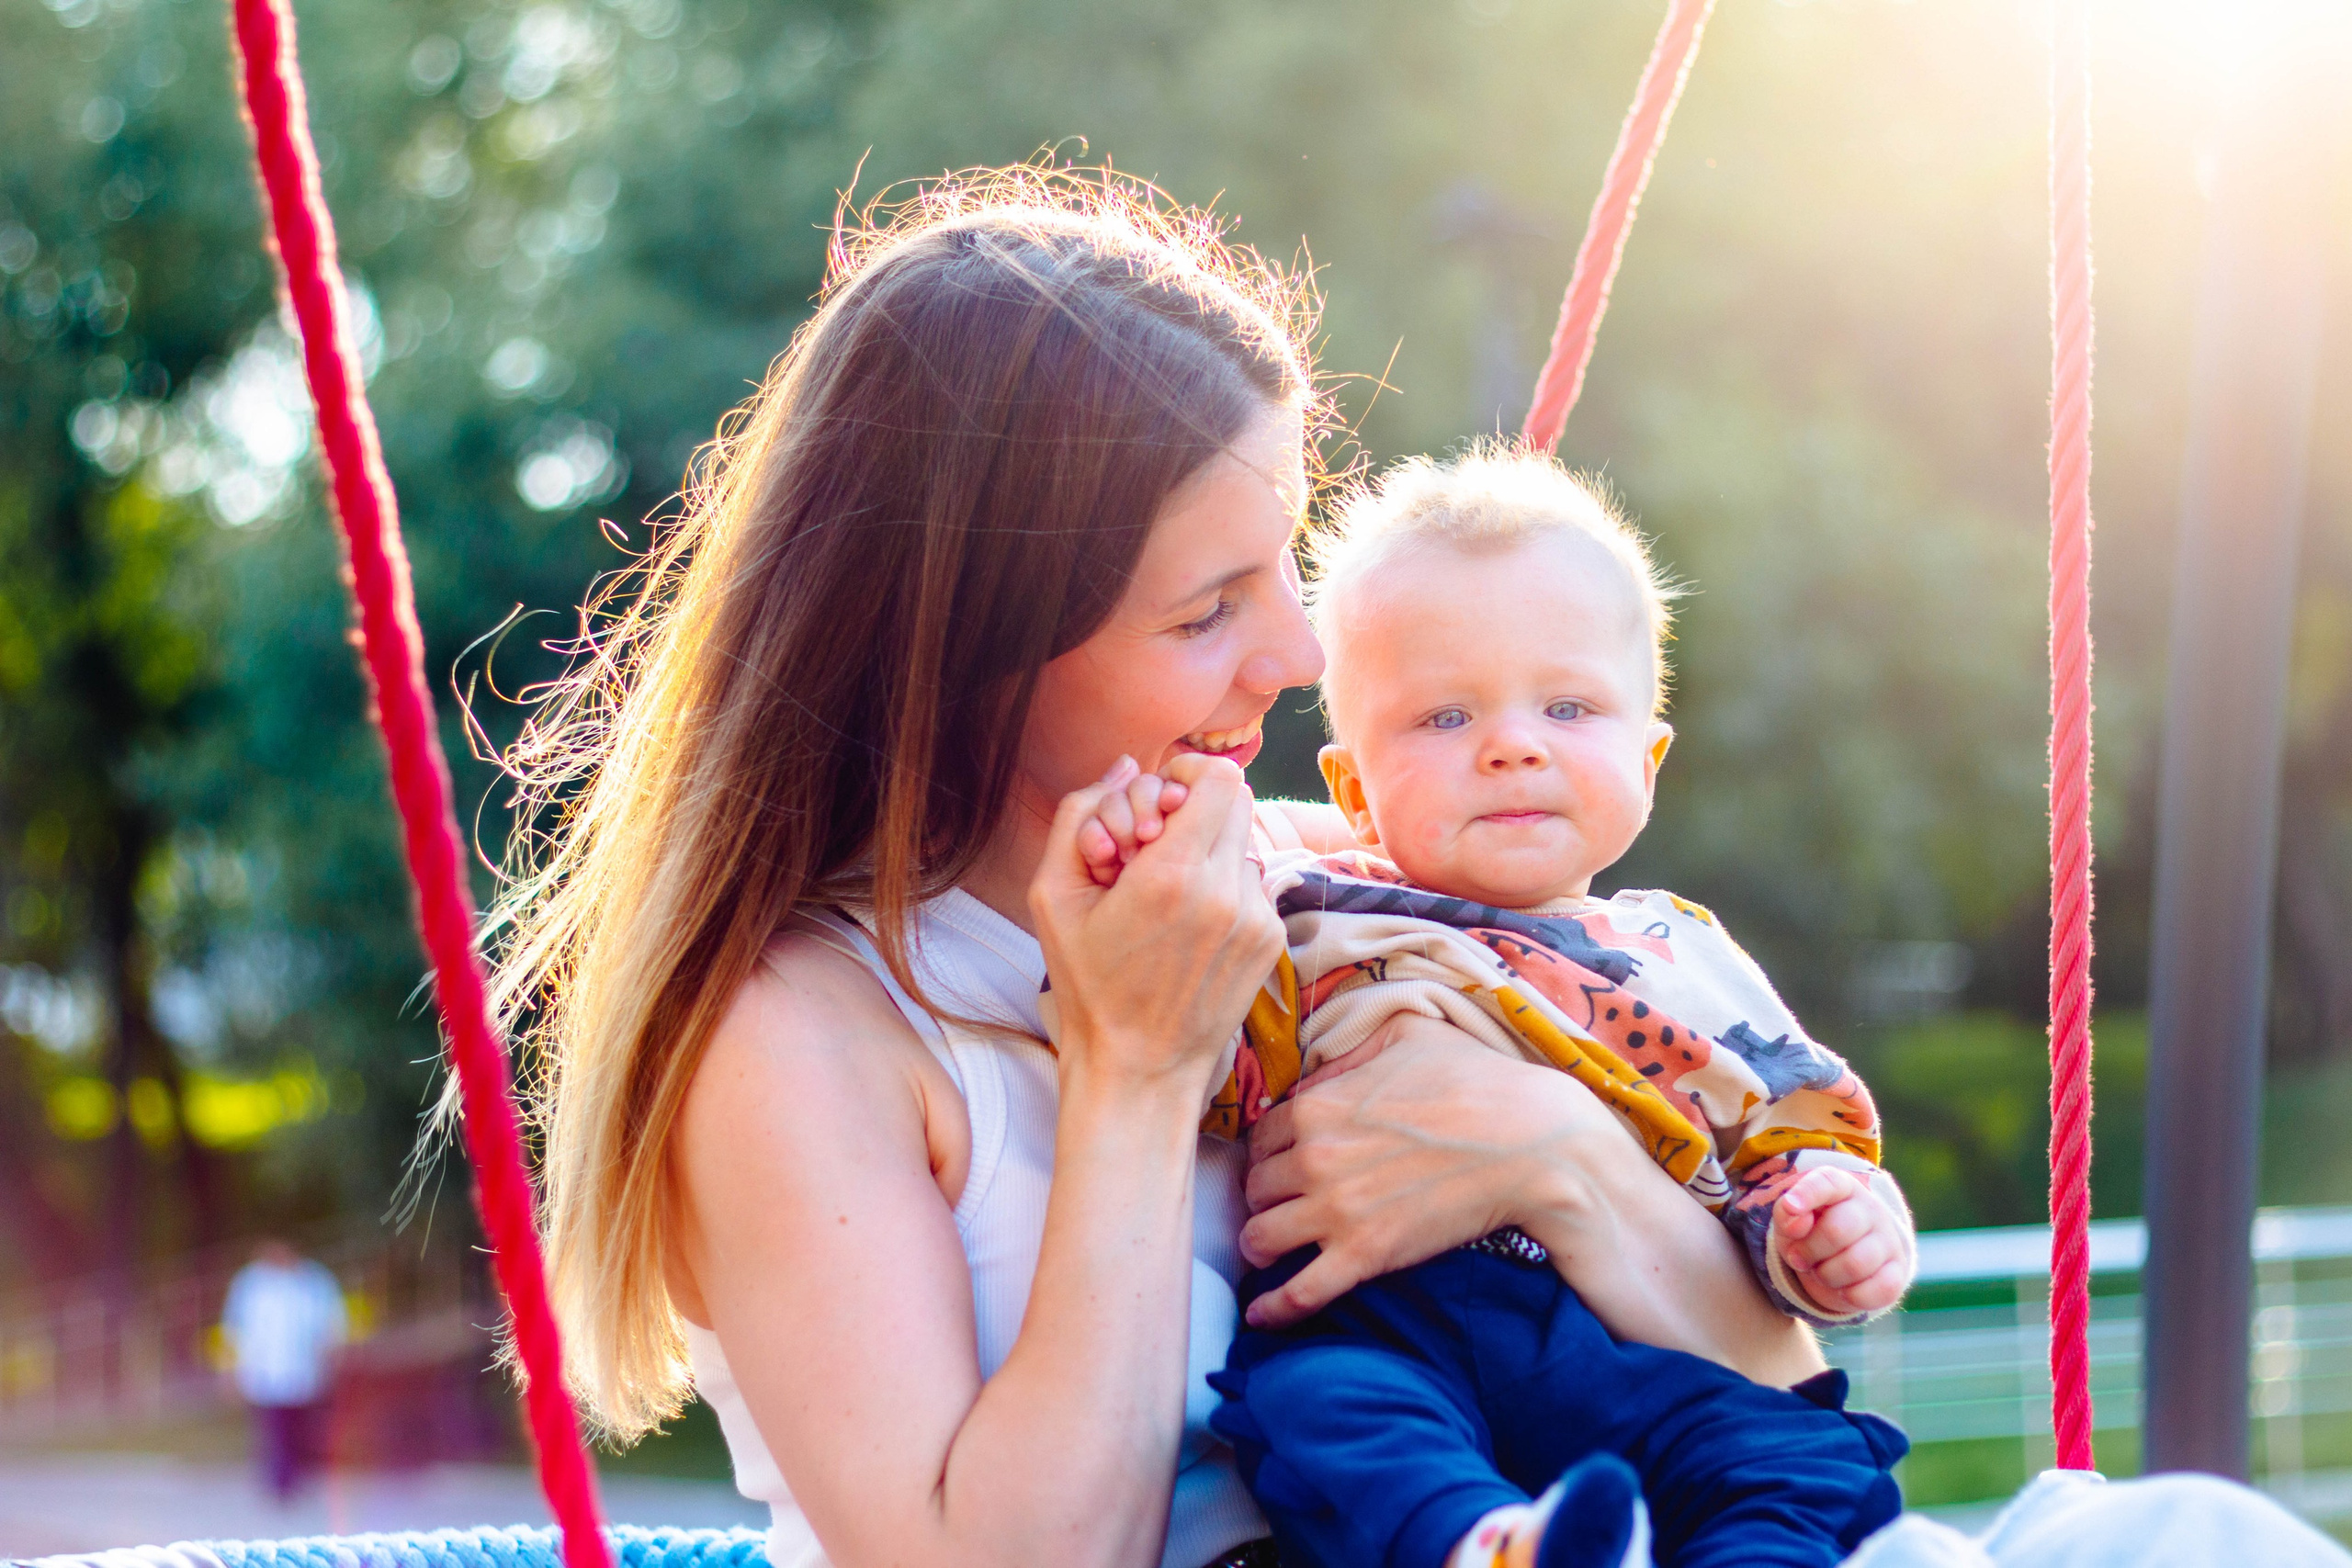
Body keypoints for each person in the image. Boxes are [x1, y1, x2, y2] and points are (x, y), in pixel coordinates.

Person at [494, 164, 2352, 1568]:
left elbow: (1762, 1371)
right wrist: (1137, 1067)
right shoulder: (804, 1033)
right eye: (1211, 606)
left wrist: (1554, 1156)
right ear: (981, 636)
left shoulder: (1338, 882)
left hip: (1653, 1510)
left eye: (1283, 572)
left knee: (2197, 1537)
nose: (1300, 659)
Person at [1067, 447, 1915, 1568]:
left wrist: (1842, 1215)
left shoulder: (1681, 950)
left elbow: (1789, 1135)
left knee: (1800, 1457)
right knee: (1317, 1406)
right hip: (1397, 1323)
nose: (1513, 745)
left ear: (1647, 760)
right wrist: (1139, 866)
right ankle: (1488, 1547)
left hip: (1640, 1348)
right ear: (1353, 790)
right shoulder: (1303, 919)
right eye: (1443, 718)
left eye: (1568, 706)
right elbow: (1189, 1041)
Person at [219, 1236, 346, 1503]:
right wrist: (230, 1369)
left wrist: (331, 1358)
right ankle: (279, 1483)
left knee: (299, 1427)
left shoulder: (314, 1282)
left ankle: (294, 1478)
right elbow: (235, 1328)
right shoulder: (251, 1284)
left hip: (303, 1370)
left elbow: (331, 1324)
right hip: (264, 1371)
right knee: (273, 1428)